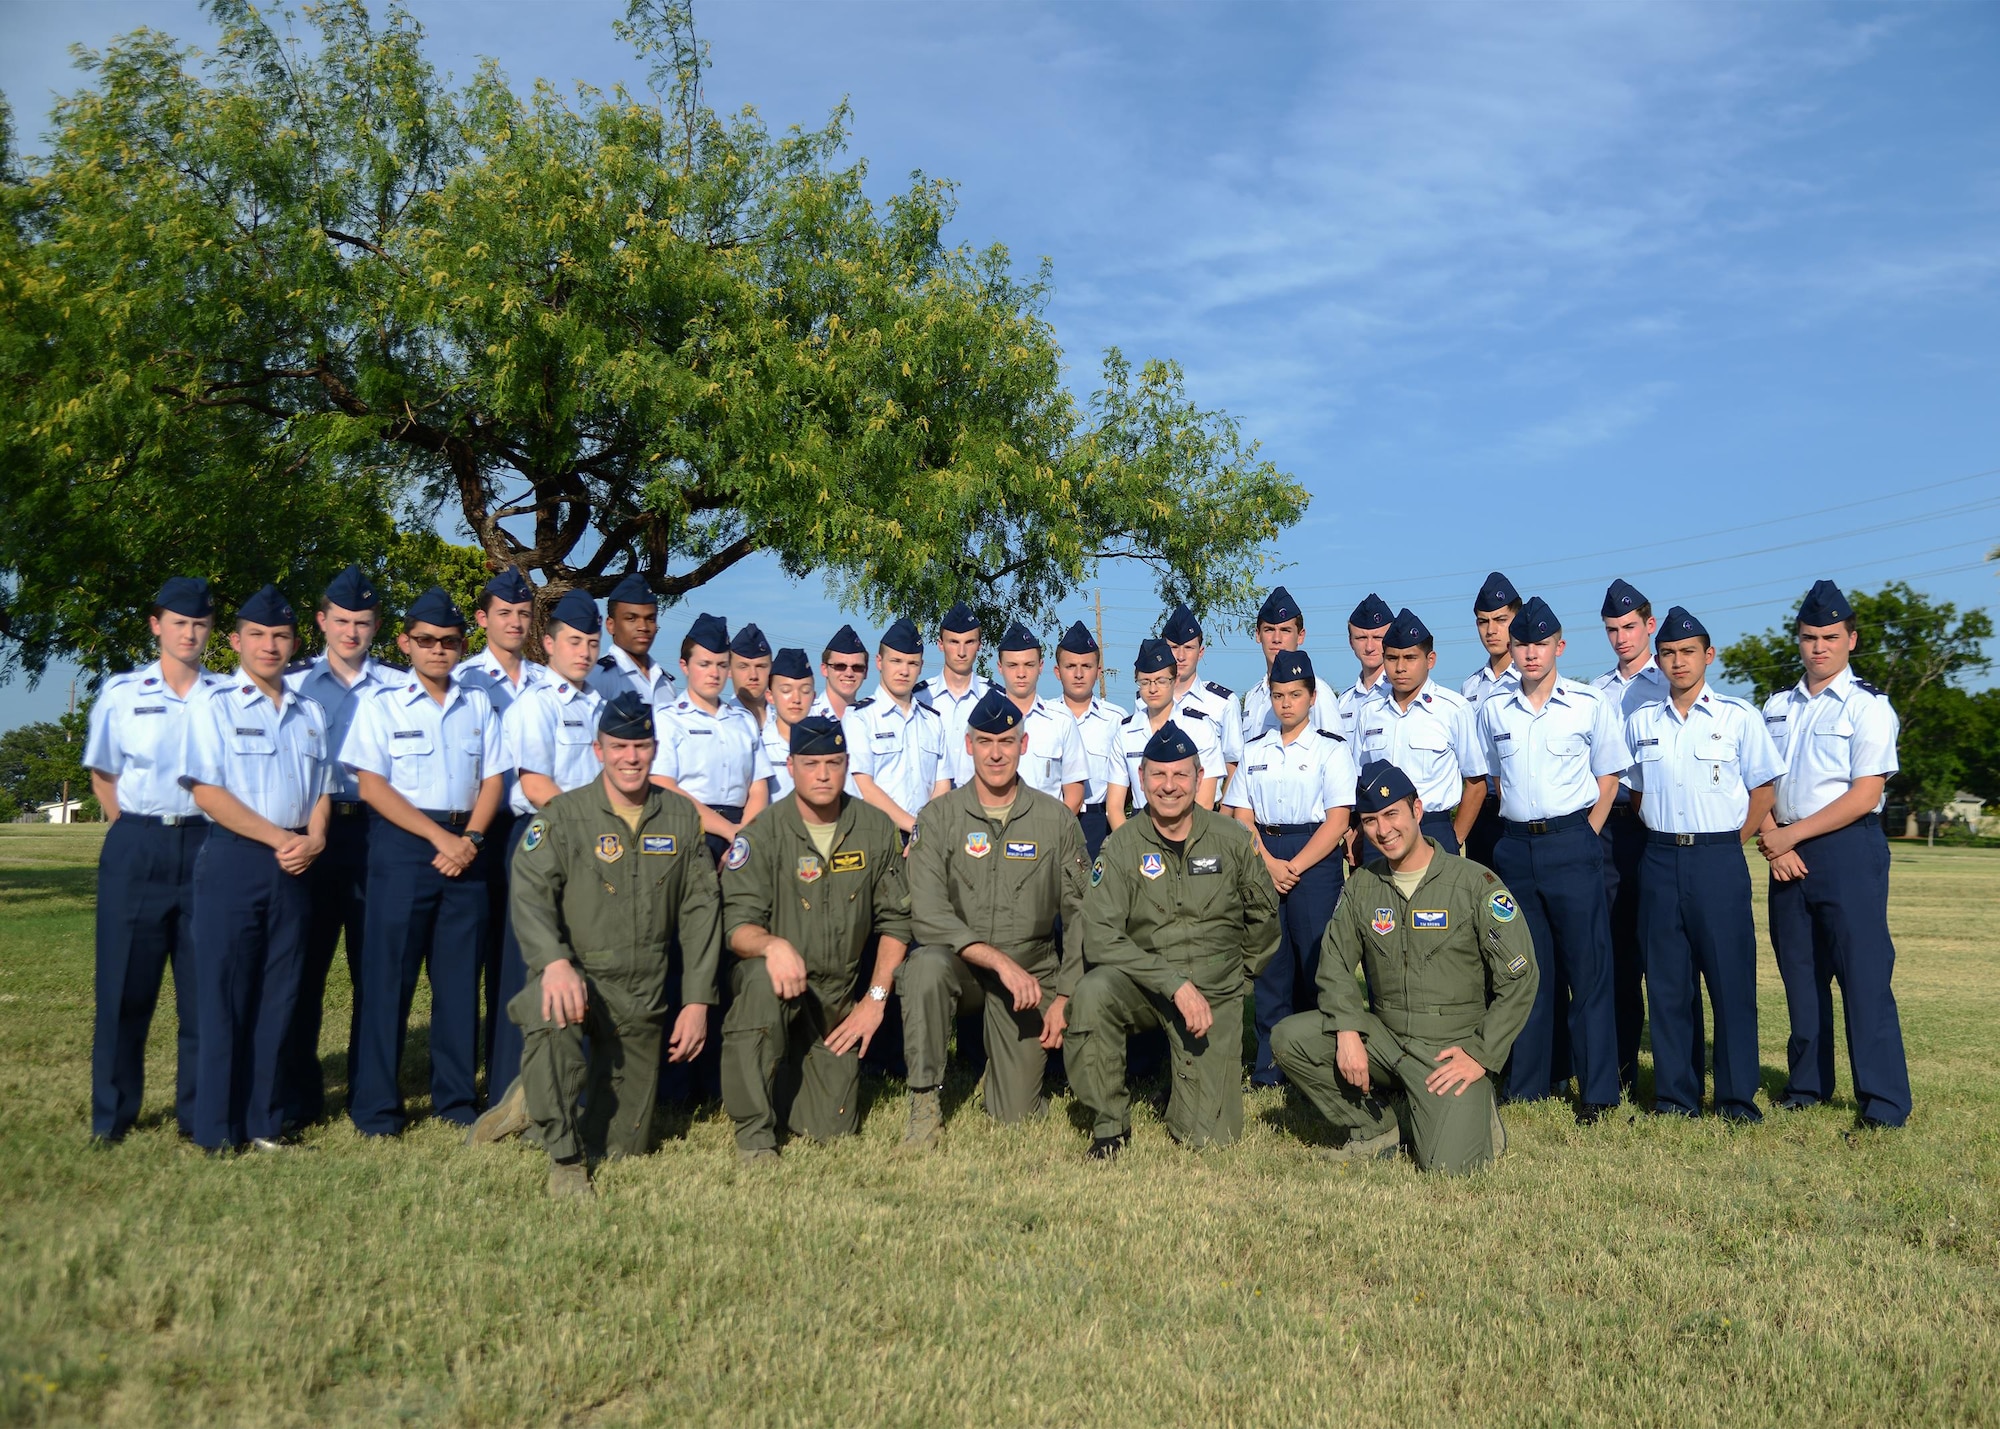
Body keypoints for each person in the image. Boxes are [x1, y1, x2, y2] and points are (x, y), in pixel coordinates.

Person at [496, 692, 720, 1197]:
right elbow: (529, 892)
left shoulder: (681, 820)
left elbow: (701, 912)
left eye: (640, 746)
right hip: (575, 976)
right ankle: (564, 1159)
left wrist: (698, 1001)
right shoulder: (564, 816)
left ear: (655, 748)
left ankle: (529, 1102)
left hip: (642, 991)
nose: (630, 757)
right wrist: (552, 962)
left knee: (624, 1146)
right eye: (619, 746)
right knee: (552, 1015)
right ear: (598, 750)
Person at [1270, 760, 1538, 1173]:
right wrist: (1346, 1029)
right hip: (1386, 1037)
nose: (1383, 830)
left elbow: (1519, 975)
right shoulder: (1363, 884)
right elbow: (1335, 963)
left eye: (1392, 814)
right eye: (1371, 820)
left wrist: (1481, 1054)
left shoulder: (1472, 883)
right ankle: (1374, 1128)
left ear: (1417, 811)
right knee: (1291, 1037)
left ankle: (1477, 1110)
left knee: (1448, 1169)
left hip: (1448, 1048)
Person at [1068, 722, 1279, 1159]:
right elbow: (1101, 936)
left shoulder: (1232, 839)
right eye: (1158, 776)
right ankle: (1110, 1125)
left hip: (1214, 986)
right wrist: (1173, 984)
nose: (1169, 786)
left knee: (1208, 1138)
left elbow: (1264, 917)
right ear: (1141, 779)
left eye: (1180, 775)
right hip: (1145, 985)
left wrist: (1236, 980)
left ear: (1200, 778)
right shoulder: (1121, 846)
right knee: (1093, 992)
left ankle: (1181, 1089)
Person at [342, 586, 506, 1136]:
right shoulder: (381, 705)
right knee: (388, 983)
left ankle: (456, 1101)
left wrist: (473, 838)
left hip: (468, 849)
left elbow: (493, 779)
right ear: (405, 643)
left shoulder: (478, 704)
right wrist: (441, 839)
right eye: (427, 640)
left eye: (450, 641)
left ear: (463, 646)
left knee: (460, 985)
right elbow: (370, 786)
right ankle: (377, 1108)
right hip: (404, 849)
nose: (438, 649)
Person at [898, 688, 1090, 1146]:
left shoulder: (1055, 820)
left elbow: (1081, 913)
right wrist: (996, 961)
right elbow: (927, 913)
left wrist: (1064, 994)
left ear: (1023, 745)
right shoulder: (939, 816)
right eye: (985, 742)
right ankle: (924, 1102)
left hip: (1030, 971)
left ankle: (1002, 1073)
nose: (996, 753)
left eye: (1006, 742)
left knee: (1015, 1117)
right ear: (969, 745)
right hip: (960, 966)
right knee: (924, 966)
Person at [179, 584, 333, 1153]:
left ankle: (267, 1123)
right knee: (224, 996)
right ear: (236, 641)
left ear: (295, 642)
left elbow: (323, 789)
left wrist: (314, 836)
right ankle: (217, 1128)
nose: (271, 645)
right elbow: (207, 792)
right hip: (236, 862)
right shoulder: (213, 706)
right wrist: (280, 839)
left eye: (282, 636)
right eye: (259, 635)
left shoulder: (310, 712)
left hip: (297, 865)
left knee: (280, 996)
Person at [718, 716, 913, 1160]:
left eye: (833, 762)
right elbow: (736, 927)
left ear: (847, 764)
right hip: (779, 987)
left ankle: (788, 1077)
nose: (823, 774)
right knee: (759, 982)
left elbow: (896, 923)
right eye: (811, 763)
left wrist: (875, 999)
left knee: (832, 1128)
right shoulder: (762, 834)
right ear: (790, 766)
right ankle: (754, 1134)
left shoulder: (874, 828)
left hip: (836, 999)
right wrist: (773, 945)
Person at [1756, 579, 1911, 1128]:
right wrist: (1775, 839)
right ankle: (1807, 1088)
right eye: (1808, 637)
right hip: (1784, 851)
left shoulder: (1869, 707)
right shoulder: (1776, 707)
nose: (1818, 647)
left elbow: (1865, 793)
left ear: (1851, 639)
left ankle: (1884, 1104)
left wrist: (1791, 838)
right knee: (1801, 978)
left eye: (1829, 636)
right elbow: (1759, 783)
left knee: (1863, 979)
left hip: (1846, 851)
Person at [1625, 607, 1785, 1122]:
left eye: (1688, 652)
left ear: (1708, 656)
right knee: (1668, 987)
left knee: (1730, 985)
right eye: (1668, 653)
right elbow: (1635, 793)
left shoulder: (1739, 717)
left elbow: (1763, 789)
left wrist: (1727, 840)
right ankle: (1676, 1097)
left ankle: (1737, 1099)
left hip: (1717, 860)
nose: (1678, 662)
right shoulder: (1641, 722)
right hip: (1659, 857)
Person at [84, 575, 227, 1144]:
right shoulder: (122, 693)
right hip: (138, 844)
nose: (190, 634)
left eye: (199, 624)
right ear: (156, 625)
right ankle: (111, 1119)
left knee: (204, 993)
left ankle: (200, 1115)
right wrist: (138, 832)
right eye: (179, 623)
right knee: (123, 990)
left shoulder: (225, 695)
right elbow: (103, 774)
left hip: (207, 844)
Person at [1474, 597, 1630, 1120]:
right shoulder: (1494, 709)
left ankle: (1598, 1092)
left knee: (1589, 972)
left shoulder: (1588, 704)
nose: (1530, 652)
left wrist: (1586, 833)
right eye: (1521, 643)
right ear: (1512, 649)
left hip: (1573, 840)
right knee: (1526, 971)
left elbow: (1609, 777)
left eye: (1540, 643)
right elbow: (1494, 778)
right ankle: (1528, 1084)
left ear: (1559, 646)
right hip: (1516, 847)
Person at [470, 589, 607, 1137]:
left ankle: (567, 1089)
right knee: (530, 966)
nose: (583, 651)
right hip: (545, 837)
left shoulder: (596, 703)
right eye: (574, 641)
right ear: (547, 643)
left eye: (592, 642)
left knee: (584, 960)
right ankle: (511, 1093)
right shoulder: (535, 702)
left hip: (592, 841)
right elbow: (533, 781)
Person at [279, 563, 403, 1129]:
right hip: (313, 832)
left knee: (375, 971)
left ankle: (370, 1096)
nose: (352, 632)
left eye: (363, 622)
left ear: (377, 626)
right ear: (321, 621)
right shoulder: (295, 683)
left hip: (379, 833)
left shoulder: (400, 686)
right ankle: (300, 1097)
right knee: (303, 968)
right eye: (342, 621)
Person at [1223, 650, 1357, 1088]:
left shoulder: (1331, 751)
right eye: (1279, 695)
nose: (1286, 703)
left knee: (1316, 962)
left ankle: (1319, 1065)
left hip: (1313, 859)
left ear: (1312, 698)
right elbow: (1239, 813)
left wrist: (1293, 865)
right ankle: (1270, 1066)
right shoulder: (1255, 750)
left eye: (1295, 695)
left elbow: (1338, 820)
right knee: (1270, 967)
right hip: (1265, 851)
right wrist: (1267, 862)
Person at [457, 566, 547, 1093]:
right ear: (482, 619)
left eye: (522, 613)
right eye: (504, 613)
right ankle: (464, 1074)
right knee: (470, 955)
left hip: (527, 831)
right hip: (476, 829)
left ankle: (509, 1075)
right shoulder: (465, 678)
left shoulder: (543, 679)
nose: (514, 622)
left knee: (517, 951)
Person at [1593, 578, 1667, 1096]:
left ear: (1650, 625)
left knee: (1664, 957)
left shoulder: (1672, 682)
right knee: (1615, 955)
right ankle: (1620, 1070)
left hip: (1657, 829)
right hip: (1609, 828)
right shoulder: (1594, 693)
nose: (1621, 638)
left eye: (1629, 627)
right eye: (1612, 630)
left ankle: (1674, 1075)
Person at [1355, 609, 1487, 858]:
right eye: (1392, 658)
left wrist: (1455, 839)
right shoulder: (1369, 711)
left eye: (1410, 658)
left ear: (1430, 660)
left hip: (1433, 829)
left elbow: (1476, 783)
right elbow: (1359, 778)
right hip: (1380, 833)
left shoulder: (1453, 709)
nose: (1401, 667)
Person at [651, 613, 771, 864]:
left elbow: (758, 788)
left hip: (743, 832)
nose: (714, 673)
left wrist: (744, 838)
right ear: (684, 665)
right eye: (704, 664)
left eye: (721, 664)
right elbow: (665, 787)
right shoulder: (667, 719)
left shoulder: (743, 721)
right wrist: (729, 832)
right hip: (686, 831)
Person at [842, 618, 949, 840]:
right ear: (880, 662)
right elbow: (864, 787)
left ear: (920, 667)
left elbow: (942, 786)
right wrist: (918, 829)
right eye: (896, 661)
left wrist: (924, 832)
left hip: (927, 839)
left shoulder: (933, 721)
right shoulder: (859, 717)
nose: (904, 671)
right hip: (876, 838)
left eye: (912, 663)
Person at [1110, 639, 1226, 823]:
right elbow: (1114, 807)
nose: (1153, 689)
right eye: (1145, 682)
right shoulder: (1125, 733)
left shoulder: (1200, 728)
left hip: (1189, 823)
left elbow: (1205, 800)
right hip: (1139, 827)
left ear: (1175, 680)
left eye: (1161, 681)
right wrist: (1129, 847)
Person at [1460, 571, 1522, 869]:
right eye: (1483, 622)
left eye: (1500, 620)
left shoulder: (1530, 680)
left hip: (1520, 808)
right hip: (1482, 811)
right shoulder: (1471, 688)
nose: (1491, 630)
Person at [994, 622, 1087, 811]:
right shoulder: (985, 719)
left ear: (1040, 666)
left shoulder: (1061, 720)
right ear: (1000, 667)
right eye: (1012, 665)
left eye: (1029, 664)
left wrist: (1053, 834)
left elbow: (1075, 795)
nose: (1021, 673)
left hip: (1048, 832)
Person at [1053, 621, 1127, 858]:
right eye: (1070, 666)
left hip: (1100, 822)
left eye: (1086, 666)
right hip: (1052, 821)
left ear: (1099, 670)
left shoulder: (1116, 720)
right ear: (1057, 672)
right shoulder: (1043, 717)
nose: (1078, 674)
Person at [1240, 585, 1339, 744]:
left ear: (1300, 636)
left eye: (1285, 630)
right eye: (1269, 630)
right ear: (1258, 635)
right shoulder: (1253, 695)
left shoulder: (1318, 692)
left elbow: (1334, 750)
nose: (1276, 638)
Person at [1161, 604, 1244, 785]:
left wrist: (1223, 810)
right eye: (1174, 647)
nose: (1181, 656)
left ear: (1201, 652)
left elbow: (1234, 764)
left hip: (1205, 808)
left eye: (1189, 648)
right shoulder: (1145, 701)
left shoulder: (1223, 703)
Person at [918, 602, 991, 787]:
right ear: (940, 644)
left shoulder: (994, 699)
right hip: (929, 808)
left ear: (980, 645)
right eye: (954, 642)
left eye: (969, 642)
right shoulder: (919, 699)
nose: (961, 652)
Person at [587, 571, 677, 711]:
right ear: (611, 625)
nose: (643, 627)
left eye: (650, 619)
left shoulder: (664, 682)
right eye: (631, 618)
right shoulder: (597, 677)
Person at [1334, 593, 1396, 743]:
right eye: (1361, 638)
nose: (1369, 647)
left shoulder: (1401, 694)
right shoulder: (1343, 702)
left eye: (1377, 638)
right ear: (1350, 642)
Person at [763, 648, 816, 800]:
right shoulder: (758, 746)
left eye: (805, 691)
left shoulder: (827, 747)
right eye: (786, 690)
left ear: (813, 697)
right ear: (770, 696)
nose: (796, 699)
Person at [812, 625, 869, 720]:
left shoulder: (872, 718)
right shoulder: (804, 715)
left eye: (857, 667)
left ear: (866, 672)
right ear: (824, 669)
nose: (849, 673)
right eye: (840, 666)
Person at [728, 622, 774, 732]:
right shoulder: (719, 725)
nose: (753, 675)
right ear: (728, 670)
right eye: (743, 666)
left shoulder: (785, 726)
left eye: (761, 666)